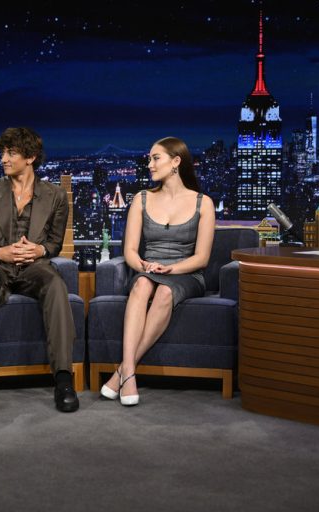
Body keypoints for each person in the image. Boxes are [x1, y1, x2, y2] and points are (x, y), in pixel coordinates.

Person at [0, 127, 78, 414]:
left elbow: (54, 243)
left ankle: (64, 380)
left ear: (31, 157)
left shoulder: (55, 195)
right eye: (2, 152)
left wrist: (40, 251)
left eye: (11, 153)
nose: (3, 159)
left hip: (31, 267)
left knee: (55, 284)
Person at [100, 137, 215, 406]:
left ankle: (123, 372)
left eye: (156, 158)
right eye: (149, 159)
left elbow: (202, 258)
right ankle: (129, 373)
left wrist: (172, 268)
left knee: (164, 292)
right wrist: (144, 265)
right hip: (149, 269)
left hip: (186, 274)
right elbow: (130, 250)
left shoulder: (203, 203)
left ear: (176, 162)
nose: (150, 164)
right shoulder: (141, 199)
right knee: (141, 285)